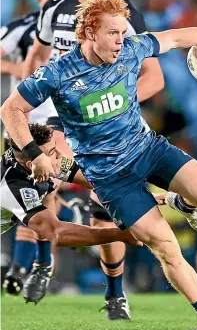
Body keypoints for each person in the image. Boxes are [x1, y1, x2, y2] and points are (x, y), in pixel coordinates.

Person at [1, 0, 197, 330]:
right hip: (111, 179)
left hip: (148, 150)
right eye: (113, 33)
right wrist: (34, 154)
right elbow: (10, 109)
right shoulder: (56, 73)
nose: (120, 40)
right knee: (165, 246)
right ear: (89, 33)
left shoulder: (133, 48)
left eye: (123, 32)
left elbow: (175, 37)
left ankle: (182, 202)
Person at [22, 0, 164, 320]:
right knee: (43, 179)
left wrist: (114, 104)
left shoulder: (128, 14)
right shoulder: (55, 7)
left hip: (107, 122)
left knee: (105, 209)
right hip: (58, 119)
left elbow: (155, 78)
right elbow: (38, 57)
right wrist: (28, 112)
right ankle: (42, 261)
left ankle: (115, 294)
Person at [0, 122, 142, 303]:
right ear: (32, 164)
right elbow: (58, 234)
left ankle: (42, 264)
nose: (60, 154)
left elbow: (100, 182)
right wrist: (119, 234)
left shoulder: (41, 161)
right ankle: (36, 266)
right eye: (52, 152)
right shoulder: (14, 189)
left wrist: (158, 198)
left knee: (48, 196)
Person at [0, 0, 74, 296]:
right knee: (34, 190)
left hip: (68, 121)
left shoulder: (84, 29)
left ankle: (28, 265)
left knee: (48, 187)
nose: (56, 2)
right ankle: (31, 264)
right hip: (26, 123)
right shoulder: (22, 29)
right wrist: (19, 69)